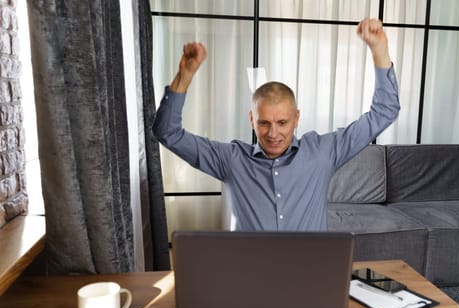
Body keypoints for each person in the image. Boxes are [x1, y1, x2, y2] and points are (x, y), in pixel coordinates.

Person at [153, 18, 400, 231]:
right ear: (252, 120)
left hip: (309, 272)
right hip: (251, 273)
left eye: (282, 122)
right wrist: (184, 76)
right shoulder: (230, 159)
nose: (273, 133)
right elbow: (167, 132)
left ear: (296, 119)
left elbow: (384, 113)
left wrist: (380, 49)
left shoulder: (323, 152)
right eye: (263, 123)